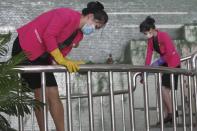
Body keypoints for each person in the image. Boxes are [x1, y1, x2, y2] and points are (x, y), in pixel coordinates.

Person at [11, 1, 108, 131]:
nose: (94, 30)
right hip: (26, 48)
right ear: (90, 16)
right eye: (96, 26)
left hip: (43, 56)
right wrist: (61, 59)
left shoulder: (79, 35)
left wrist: (66, 61)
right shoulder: (65, 15)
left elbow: (60, 53)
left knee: (53, 92)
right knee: (40, 93)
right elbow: (49, 35)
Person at [139, 16, 180, 124]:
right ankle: (168, 114)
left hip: (173, 64)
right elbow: (148, 55)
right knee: (162, 90)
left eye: (146, 32)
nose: (146, 35)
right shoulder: (151, 40)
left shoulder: (164, 35)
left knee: (163, 89)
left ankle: (172, 113)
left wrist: (158, 62)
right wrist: (145, 72)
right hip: (165, 65)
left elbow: (170, 52)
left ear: (151, 30)